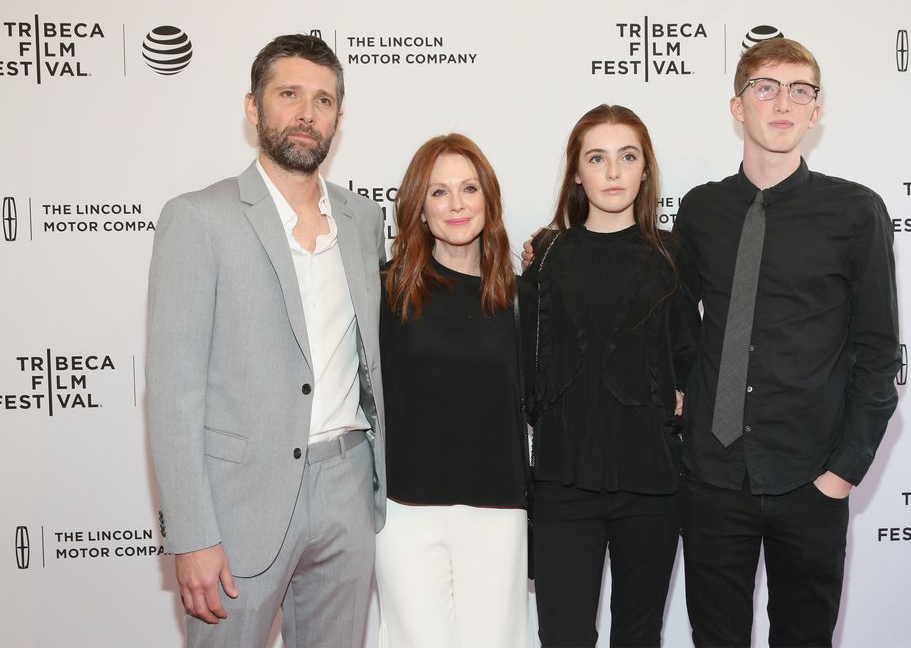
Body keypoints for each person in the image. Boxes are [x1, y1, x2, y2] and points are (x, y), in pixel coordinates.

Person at [146, 34, 386, 647]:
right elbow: (173, 393)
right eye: (289, 95)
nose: (307, 113)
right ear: (253, 108)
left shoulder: (362, 221)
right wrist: (193, 534)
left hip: (347, 488)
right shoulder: (199, 218)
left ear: (338, 117)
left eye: (324, 100)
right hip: (237, 505)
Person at [673, 38, 900, 647]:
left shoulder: (856, 212)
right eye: (766, 87)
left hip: (812, 478)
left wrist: (842, 473)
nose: (784, 102)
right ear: (736, 105)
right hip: (714, 478)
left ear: (816, 112)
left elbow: (879, 354)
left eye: (801, 90)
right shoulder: (700, 210)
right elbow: (674, 323)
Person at [522, 104, 698, 648]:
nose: (614, 172)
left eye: (628, 157)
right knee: (564, 637)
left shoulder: (672, 255)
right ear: (577, 171)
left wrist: (683, 400)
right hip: (559, 483)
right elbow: (524, 360)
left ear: (646, 170)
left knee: (638, 637)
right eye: (597, 158)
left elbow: (692, 356)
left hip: (651, 485)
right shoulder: (546, 254)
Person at [375, 133, 533, 648]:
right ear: (419, 207)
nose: (457, 204)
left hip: (497, 511)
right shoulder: (387, 290)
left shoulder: (519, 295)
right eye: (439, 192)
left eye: (469, 188)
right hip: (406, 514)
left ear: (489, 199)